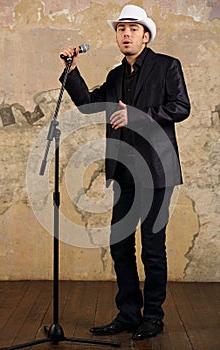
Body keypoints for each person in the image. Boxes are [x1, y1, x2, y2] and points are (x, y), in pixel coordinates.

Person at [59, 4, 190, 341]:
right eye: (120, 29)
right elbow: (90, 104)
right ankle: (129, 314)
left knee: (152, 247)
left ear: (146, 35)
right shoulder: (116, 74)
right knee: (119, 245)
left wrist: (138, 115)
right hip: (124, 172)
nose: (126, 34)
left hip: (158, 172)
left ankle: (153, 317)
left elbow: (181, 107)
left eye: (132, 28)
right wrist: (71, 71)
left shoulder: (167, 66)